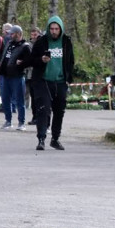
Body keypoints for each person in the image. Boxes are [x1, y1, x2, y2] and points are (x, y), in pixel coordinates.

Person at [29, 15, 74, 151]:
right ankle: (41, 138)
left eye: (56, 29)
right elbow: (31, 60)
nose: (54, 31)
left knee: (59, 111)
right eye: (52, 29)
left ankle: (55, 139)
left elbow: (71, 61)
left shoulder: (66, 42)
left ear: (61, 29)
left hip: (60, 82)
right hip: (43, 81)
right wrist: (41, 60)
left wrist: (69, 78)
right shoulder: (41, 42)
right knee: (43, 110)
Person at [0, 25, 31, 131]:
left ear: (19, 34)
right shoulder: (9, 43)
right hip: (4, 75)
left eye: (12, 33)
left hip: (17, 76)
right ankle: (8, 121)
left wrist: (22, 63)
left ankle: (21, 123)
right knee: (5, 99)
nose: (10, 35)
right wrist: (0, 63)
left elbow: (30, 61)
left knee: (19, 100)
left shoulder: (25, 46)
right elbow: (4, 56)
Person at [26, 27, 41, 125]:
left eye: (36, 34)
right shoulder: (28, 45)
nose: (34, 36)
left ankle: (40, 117)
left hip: (40, 74)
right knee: (32, 96)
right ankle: (35, 116)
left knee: (39, 97)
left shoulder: (42, 44)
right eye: (32, 35)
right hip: (30, 75)